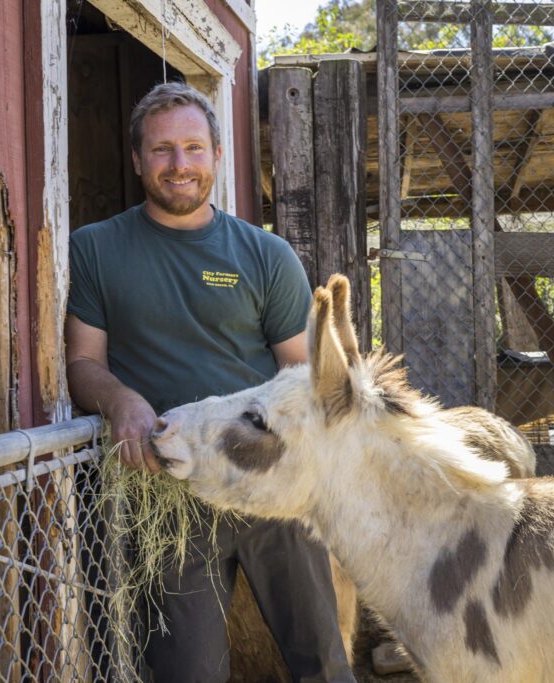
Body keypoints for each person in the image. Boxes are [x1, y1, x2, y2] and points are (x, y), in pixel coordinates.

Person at [65, 81, 354, 683]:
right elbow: (82, 362)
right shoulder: (94, 249)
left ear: (217, 157)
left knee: (322, 656)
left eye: (194, 148)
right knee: (186, 670)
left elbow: (302, 372)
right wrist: (120, 400)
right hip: (167, 489)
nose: (179, 165)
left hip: (269, 482)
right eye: (163, 150)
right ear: (139, 159)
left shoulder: (265, 255)